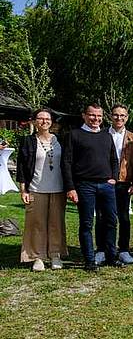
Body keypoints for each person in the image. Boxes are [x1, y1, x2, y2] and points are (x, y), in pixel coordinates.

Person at [62, 103, 120, 270]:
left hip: (106, 185)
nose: (96, 119)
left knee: (111, 221)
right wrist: (70, 187)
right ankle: (89, 260)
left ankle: (111, 256)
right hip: (84, 185)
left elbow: (113, 160)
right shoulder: (74, 135)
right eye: (92, 115)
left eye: (99, 116)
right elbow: (66, 163)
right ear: (84, 115)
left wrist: (114, 178)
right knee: (86, 223)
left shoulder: (106, 136)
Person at [15, 108, 67, 271]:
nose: (44, 121)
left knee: (56, 223)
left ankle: (55, 254)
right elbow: (22, 166)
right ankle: (37, 256)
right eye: (41, 118)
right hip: (36, 188)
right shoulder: (28, 141)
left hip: (58, 189)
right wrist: (23, 189)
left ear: (52, 121)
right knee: (36, 224)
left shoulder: (60, 141)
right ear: (34, 121)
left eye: (48, 118)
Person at [96, 104, 133, 265]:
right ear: (110, 116)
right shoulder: (100, 134)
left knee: (124, 217)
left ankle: (124, 250)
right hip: (103, 181)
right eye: (116, 115)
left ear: (127, 117)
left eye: (122, 115)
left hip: (124, 183)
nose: (119, 118)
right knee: (101, 217)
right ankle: (101, 250)